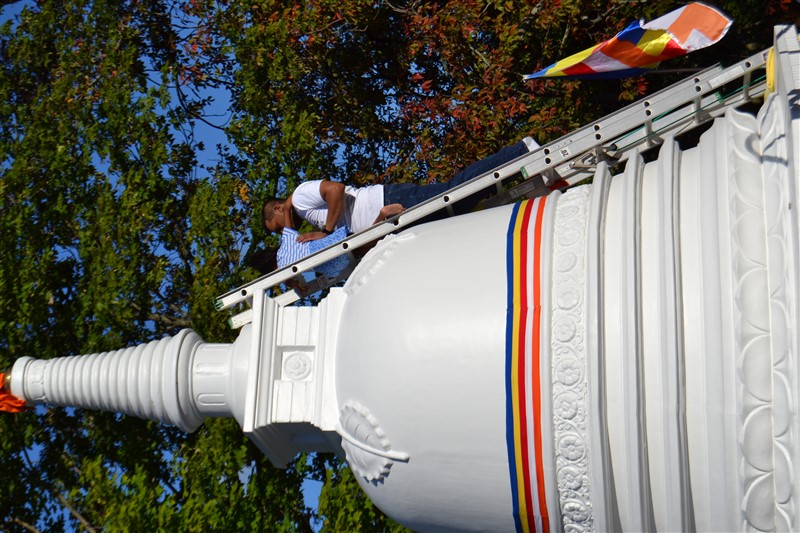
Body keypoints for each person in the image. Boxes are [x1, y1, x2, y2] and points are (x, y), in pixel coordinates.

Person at [262, 137, 539, 241]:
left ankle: (521, 150)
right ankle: (517, 163)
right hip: (387, 216)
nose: (283, 231)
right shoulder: (305, 213)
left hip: (388, 199)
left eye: (277, 227)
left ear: (278, 209)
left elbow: (336, 189)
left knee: (455, 192)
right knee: (458, 206)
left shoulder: (299, 198)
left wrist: (326, 231)